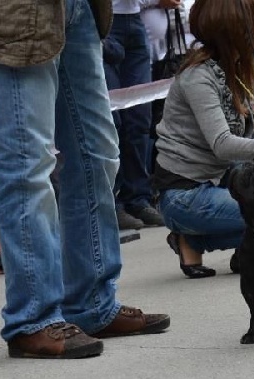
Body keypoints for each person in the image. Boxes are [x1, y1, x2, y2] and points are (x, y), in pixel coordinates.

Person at [0, 0, 171, 359]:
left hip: (80, 9)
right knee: (27, 163)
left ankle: (94, 303)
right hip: (15, 11)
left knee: (99, 155)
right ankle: (33, 319)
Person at [153, 0, 254, 278]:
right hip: (184, 195)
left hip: (218, 182)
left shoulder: (237, 72)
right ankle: (214, 240)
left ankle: (194, 241)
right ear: (236, 31)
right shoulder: (198, 77)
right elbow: (223, 145)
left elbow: (251, 142)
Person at [104, 0, 169, 231]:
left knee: (139, 117)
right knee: (112, 118)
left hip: (134, 19)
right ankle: (114, 200)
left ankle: (138, 198)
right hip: (106, 20)